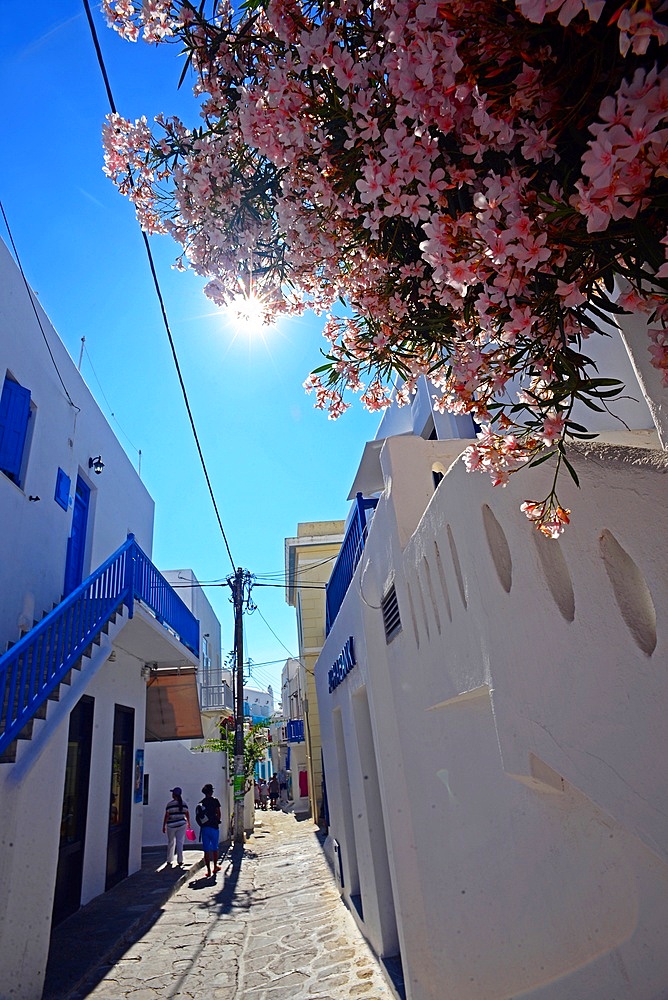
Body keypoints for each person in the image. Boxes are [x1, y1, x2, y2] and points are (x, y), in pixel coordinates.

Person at [196, 783, 222, 877]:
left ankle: (208, 870)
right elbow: (218, 813)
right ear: (211, 792)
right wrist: (217, 821)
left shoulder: (201, 802)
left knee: (206, 850)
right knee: (215, 848)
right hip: (214, 827)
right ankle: (215, 866)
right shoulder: (215, 801)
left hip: (205, 828)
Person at [162, 786, 191, 868]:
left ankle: (169, 859)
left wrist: (164, 825)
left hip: (171, 825)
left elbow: (167, 815)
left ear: (173, 795)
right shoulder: (184, 804)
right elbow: (187, 814)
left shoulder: (169, 804)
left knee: (171, 842)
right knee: (180, 842)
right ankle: (180, 860)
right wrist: (188, 823)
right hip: (182, 824)